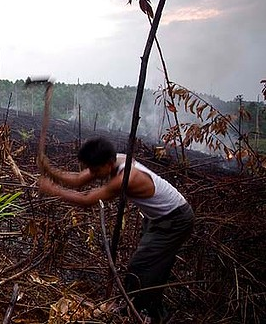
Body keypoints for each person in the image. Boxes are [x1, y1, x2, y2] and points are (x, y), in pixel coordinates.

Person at [37, 137, 194, 323]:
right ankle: (152, 312)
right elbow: (79, 180)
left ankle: (137, 312)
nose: (93, 174)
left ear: (109, 163)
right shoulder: (114, 160)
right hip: (158, 217)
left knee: (142, 267)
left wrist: (53, 189)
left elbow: (88, 199)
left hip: (175, 219)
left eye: (95, 170)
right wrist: (50, 170)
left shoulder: (128, 177)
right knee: (154, 267)